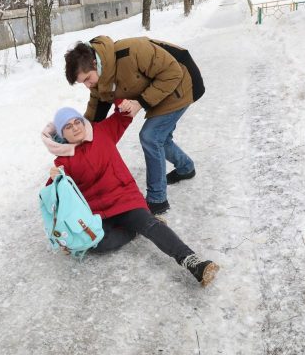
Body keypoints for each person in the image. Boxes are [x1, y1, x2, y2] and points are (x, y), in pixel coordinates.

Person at [41, 104, 219, 287]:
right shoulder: (62, 161)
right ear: (63, 135)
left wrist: (122, 103)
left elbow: (124, 114)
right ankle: (133, 230)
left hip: (124, 199)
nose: (75, 128)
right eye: (68, 127)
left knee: (150, 225)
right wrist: (54, 179)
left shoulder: (102, 132)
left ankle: (192, 261)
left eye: (77, 122)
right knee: (96, 243)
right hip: (98, 212)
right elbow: (54, 196)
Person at [64, 36, 204, 215]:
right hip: (159, 88)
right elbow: (96, 108)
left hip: (182, 82)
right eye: (82, 82)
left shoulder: (132, 51)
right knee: (161, 137)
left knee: (151, 137)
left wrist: (140, 103)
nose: (87, 85)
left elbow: (172, 73)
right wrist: (81, 133)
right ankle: (186, 168)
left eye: (87, 79)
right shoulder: (98, 78)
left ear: (94, 62)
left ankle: (157, 200)